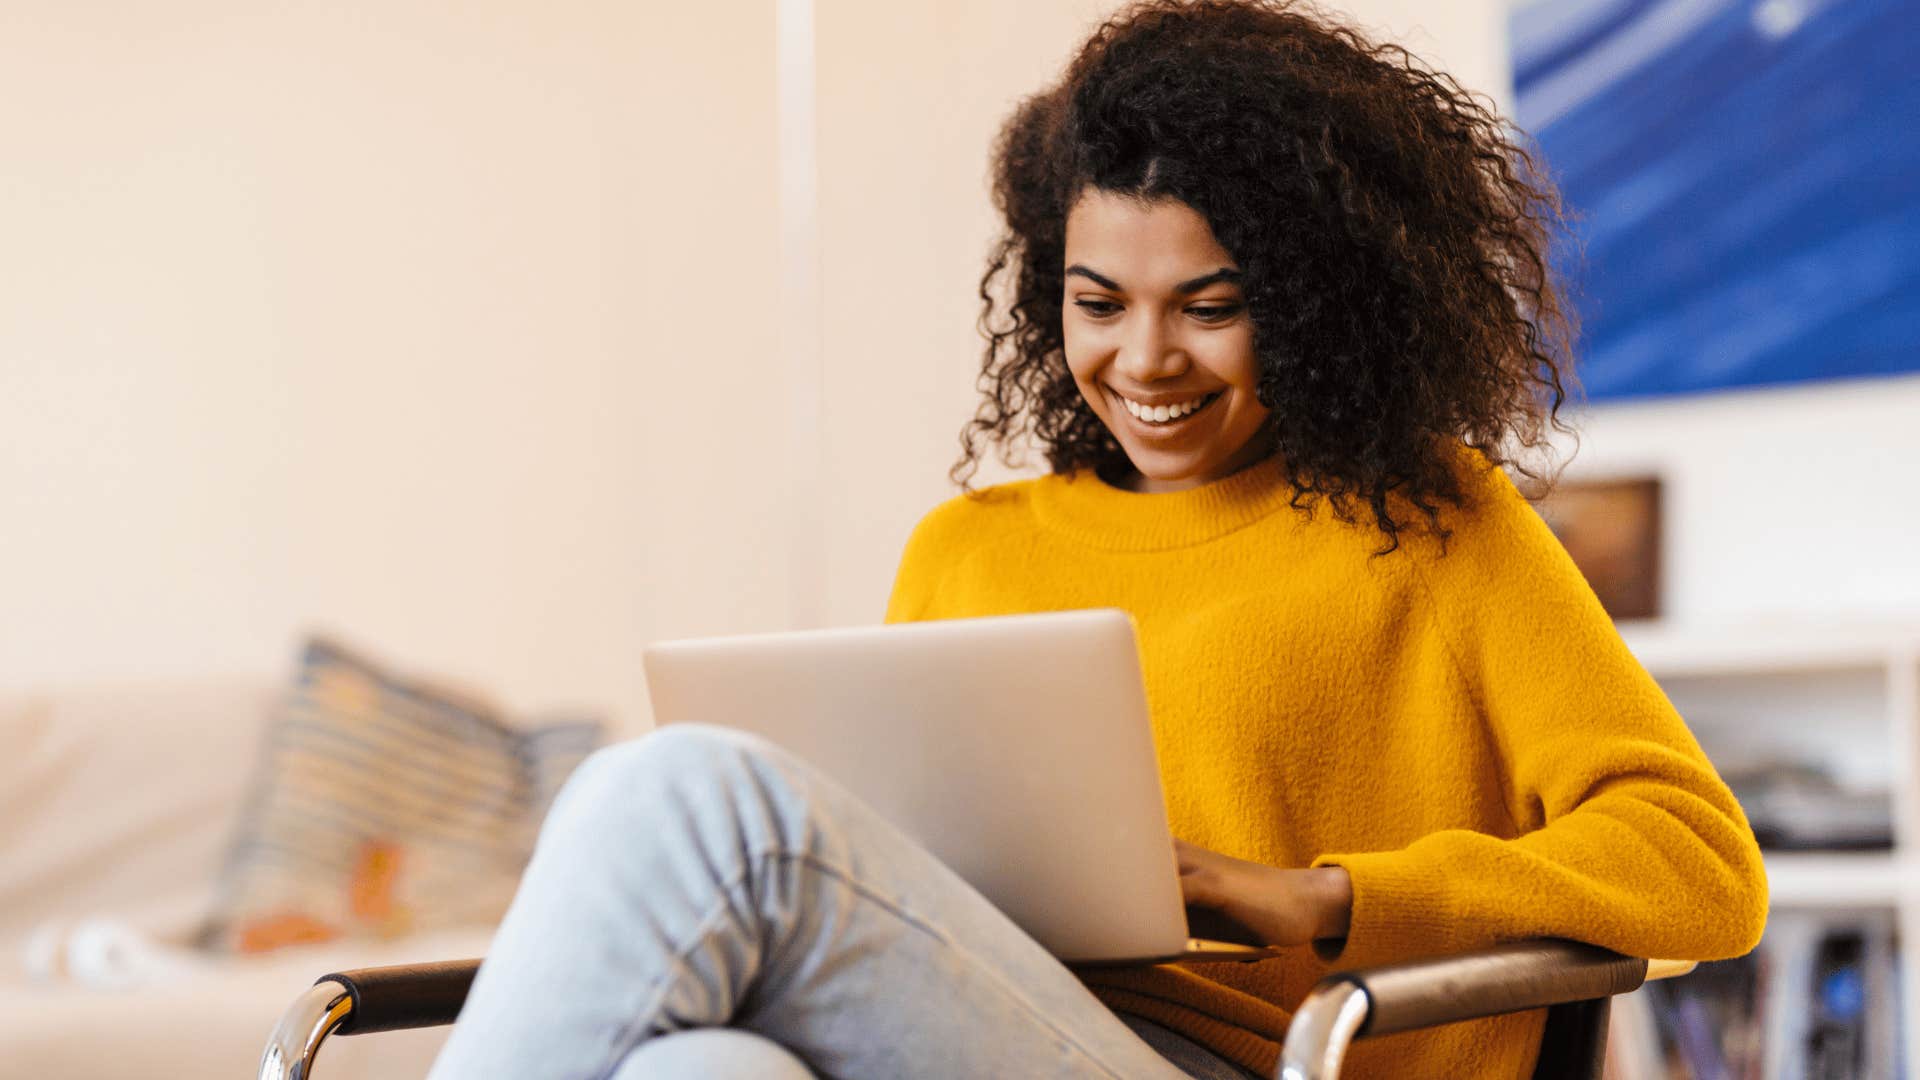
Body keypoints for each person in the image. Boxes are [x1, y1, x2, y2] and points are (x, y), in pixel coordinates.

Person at [427, 2, 1768, 1077]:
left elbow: (1702, 865)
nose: (1143, 359)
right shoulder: (967, 547)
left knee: (676, 794)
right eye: (1098, 302)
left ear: (1313, 304)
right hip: (989, 1023)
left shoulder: (1432, 524)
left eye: (1209, 306)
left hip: (1260, 1059)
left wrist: (1331, 896)